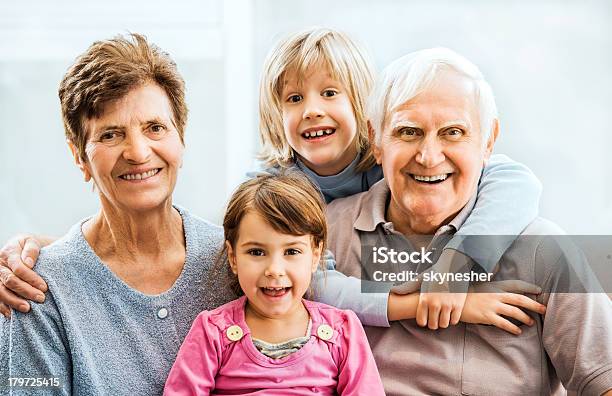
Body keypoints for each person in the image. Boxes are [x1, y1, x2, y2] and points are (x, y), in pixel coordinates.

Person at [1, 27, 544, 330]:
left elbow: (514, 182)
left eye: (330, 94)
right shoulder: (276, 189)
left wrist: (460, 264)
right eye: (293, 98)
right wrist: (60, 253)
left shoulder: (397, 162)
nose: (312, 110)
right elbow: (252, 256)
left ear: (369, 117)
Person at [326, 47, 612, 395]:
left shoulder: (542, 250)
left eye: (453, 132)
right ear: (376, 139)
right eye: (408, 132)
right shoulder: (323, 234)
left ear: (488, 140)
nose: (429, 156)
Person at [0, 33, 237, 395]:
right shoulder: (36, 289)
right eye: (111, 135)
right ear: (80, 157)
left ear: (181, 138)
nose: (139, 152)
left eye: (155, 128)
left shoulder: (238, 261)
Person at [164, 173, 385, 394]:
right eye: (257, 252)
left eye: (291, 251)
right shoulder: (213, 332)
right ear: (233, 257)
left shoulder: (341, 331)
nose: (274, 270)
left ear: (315, 256)